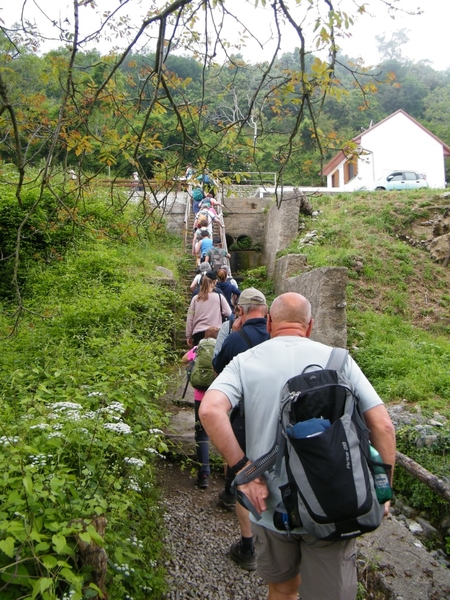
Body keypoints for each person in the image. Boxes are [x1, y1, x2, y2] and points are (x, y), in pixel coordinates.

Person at [200, 292, 396, 600]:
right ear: (310, 325)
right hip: (332, 501)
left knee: (282, 590)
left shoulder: (245, 362)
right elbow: (383, 425)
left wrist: (244, 471)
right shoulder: (339, 360)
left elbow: (210, 410)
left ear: (269, 322)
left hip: (271, 505)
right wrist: (384, 488)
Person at [211, 288, 270, 571]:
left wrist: (234, 333)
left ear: (242, 311)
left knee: (245, 475)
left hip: (244, 417)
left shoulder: (236, 338)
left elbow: (217, 367)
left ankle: (248, 546)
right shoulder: (278, 338)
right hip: (275, 418)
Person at [182, 326, 219, 489]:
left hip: (199, 396)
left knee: (201, 434)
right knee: (221, 431)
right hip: (217, 396)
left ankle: (204, 474)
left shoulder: (199, 348)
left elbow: (184, 359)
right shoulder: (221, 348)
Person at [186, 273, 231, 347]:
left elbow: (190, 318)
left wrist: (188, 336)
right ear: (214, 282)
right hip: (216, 333)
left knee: (200, 356)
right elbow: (228, 313)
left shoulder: (195, 299)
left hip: (198, 333)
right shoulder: (219, 297)